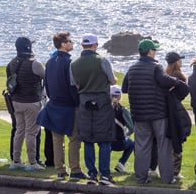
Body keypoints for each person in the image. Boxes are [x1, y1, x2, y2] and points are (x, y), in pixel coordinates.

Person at [122, 39, 183, 184]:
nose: (155, 52)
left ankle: (141, 177)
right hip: (158, 113)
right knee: (163, 146)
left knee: (142, 146)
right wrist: (176, 82)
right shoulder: (156, 67)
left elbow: (124, 88)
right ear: (150, 52)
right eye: (154, 50)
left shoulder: (132, 68)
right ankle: (167, 178)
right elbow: (165, 80)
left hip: (139, 114)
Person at [37, 32, 86, 181]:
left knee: (57, 139)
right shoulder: (69, 62)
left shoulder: (50, 61)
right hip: (68, 105)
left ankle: (60, 170)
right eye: (70, 41)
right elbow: (72, 85)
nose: (72, 43)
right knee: (74, 139)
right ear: (63, 44)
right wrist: (76, 101)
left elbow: (47, 84)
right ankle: (75, 169)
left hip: (54, 104)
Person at [71, 34, 117, 185]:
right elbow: (112, 80)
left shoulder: (74, 63)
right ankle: (105, 175)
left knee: (88, 139)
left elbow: (75, 84)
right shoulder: (102, 60)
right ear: (95, 45)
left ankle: (91, 174)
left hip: (84, 101)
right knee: (104, 139)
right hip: (102, 102)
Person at [6, 36, 45, 171]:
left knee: (19, 131)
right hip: (32, 102)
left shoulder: (11, 63)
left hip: (17, 101)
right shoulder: (35, 64)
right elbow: (45, 76)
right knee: (31, 133)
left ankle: (16, 160)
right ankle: (32, 162)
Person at [164, 51, 191, 179]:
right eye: (180, 60)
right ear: (176, 62)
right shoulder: (178, 76)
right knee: (176, 140)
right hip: (175, 110)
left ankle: (163, 168)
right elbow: (184, 91)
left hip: (165, 111)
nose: (181, 62)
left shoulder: (164, 75)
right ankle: (175, 171)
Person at [110, 85, 135, 174]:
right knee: (132, 144)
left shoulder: (104, 109)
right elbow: (131, 128)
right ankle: (121, 163)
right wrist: (126, 135)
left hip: (107, 141)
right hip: (120, 142)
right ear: (120, 96)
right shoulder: (124, 110)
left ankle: (104, 166)